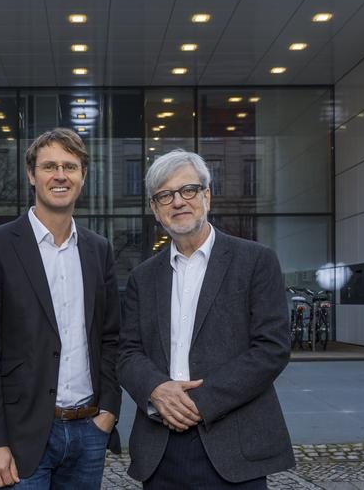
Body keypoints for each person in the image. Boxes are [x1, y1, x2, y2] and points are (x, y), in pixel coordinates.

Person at [119, 149, 295, 489]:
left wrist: (199, 402)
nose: (178, 202)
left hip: (234, 444)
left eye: (188, 190)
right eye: (165, 195)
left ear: (207, 195)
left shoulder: (255, 261)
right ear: (156, 210)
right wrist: (156, 390)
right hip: (161, 445)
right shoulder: (143, 277)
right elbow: (127, 352)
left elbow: (271, 348)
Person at [0, 127, 121, 489]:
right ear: (31, 175)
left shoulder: (99, 250)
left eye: (70, 166)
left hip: (89, 432)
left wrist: (108, 411)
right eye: (49, 166)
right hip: (20, 438)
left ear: (83, 176)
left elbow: (111, 338)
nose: (60, 175)